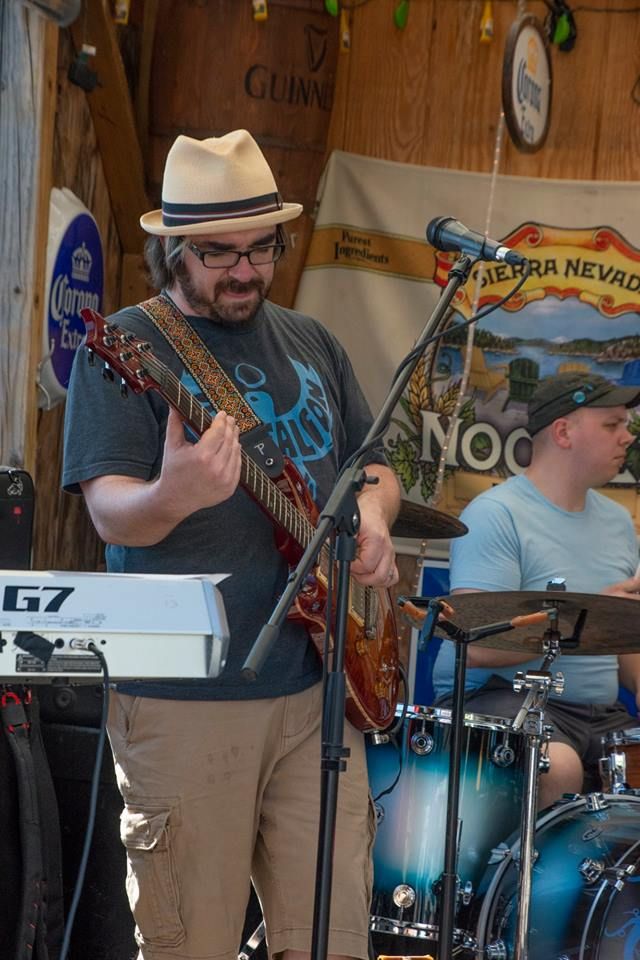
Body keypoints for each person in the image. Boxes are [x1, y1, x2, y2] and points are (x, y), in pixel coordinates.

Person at [62, 130, 401, 960]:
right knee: (193, 945)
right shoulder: (128, 346)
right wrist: (172, 495)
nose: (245, 271)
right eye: (219, 254)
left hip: (316, 691)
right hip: (185, 700)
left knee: (332, 942)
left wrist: (374, 516)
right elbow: (111, 514)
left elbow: (374, 469)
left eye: (261, 248)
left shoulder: (312, 341)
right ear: (172, 249)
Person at [432, 371, 640, 810]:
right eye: (612, 424)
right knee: (556, 766)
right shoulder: (496, 513)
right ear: (563, 432)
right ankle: (519, 860)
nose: (628, 436)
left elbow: (624, 649)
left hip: (599, 715)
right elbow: (476, 641)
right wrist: (589, 620)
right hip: (497, 699)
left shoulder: (620, 522)